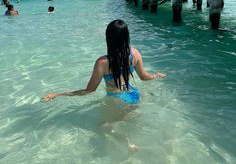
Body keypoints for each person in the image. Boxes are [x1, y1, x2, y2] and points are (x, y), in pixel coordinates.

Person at [42, 19, 166, 150]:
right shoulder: (134, 53)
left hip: (117, 99)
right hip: (134, 96)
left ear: (109, 38)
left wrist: (59, 94)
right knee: (129, 122)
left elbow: (89, 90)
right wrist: (156, 75)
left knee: (103, 126)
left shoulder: (103, 62)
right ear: (127, 36)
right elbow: (144, 77)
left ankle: (128, 143)